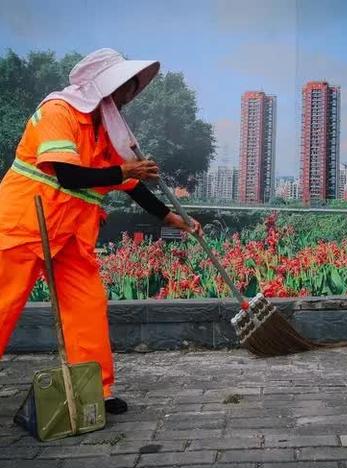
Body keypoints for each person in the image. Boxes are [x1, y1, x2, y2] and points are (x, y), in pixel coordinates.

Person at [0, 48, 203, 414]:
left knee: (88, 306)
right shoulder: (57, 112)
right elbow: (69, 174)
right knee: (3, 304)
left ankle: (94, 389)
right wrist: (127, 172)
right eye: (127, 85)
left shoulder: (104, 127)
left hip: (73, 232)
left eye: (133, 86)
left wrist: (168, 216)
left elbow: (131, 184)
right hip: (25, 224)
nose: (132, 93)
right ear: (102, 86)